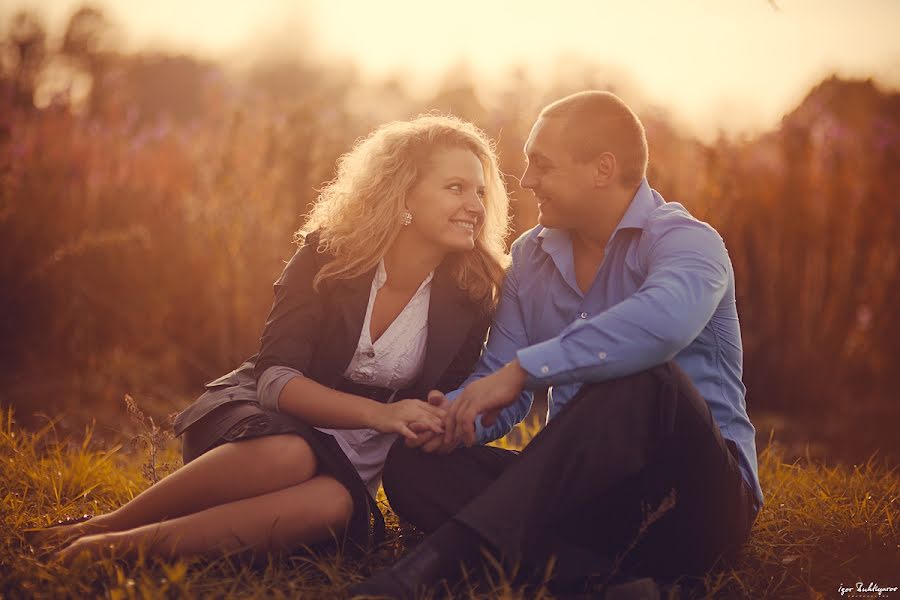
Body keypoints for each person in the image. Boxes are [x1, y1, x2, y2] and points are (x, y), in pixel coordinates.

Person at [28, 114, 510, 563]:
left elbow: (441, 398)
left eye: (480, 192)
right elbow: (275, 379)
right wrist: (383, 414)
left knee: (334, 506)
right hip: (261, 427)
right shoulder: (327, 255)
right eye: (455, 188)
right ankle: (109, 522)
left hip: (355, 456)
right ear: (404, 194)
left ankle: (119, 546)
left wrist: (447, 418)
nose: (474, 205)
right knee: (291, 454)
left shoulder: (471, 296)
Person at [353, 91, 764, 598]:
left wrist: (525, 371)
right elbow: (499, 377)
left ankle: (428, 570)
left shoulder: (688, 242)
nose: (526, 181)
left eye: (541, 166)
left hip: (696, 496)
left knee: (642, 374)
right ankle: (610, 582)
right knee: (414, 465)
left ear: (602, 169)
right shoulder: (531, 256)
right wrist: (452, 419)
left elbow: (661, 326)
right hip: (587, 495)